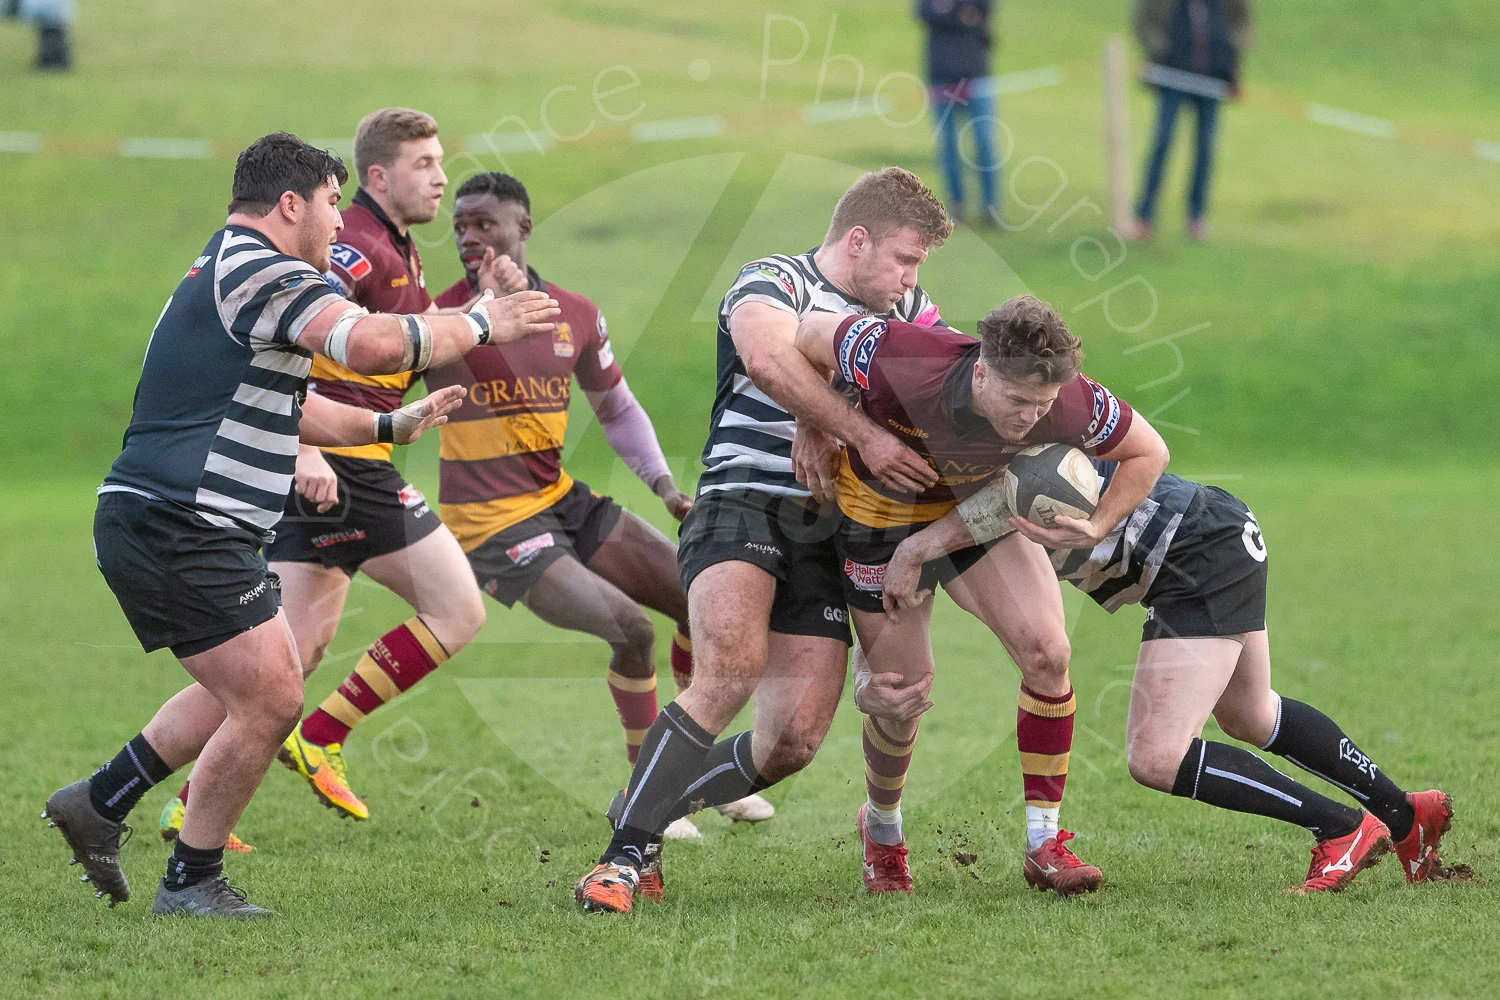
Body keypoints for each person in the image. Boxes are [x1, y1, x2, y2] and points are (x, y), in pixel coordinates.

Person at [43, 132, 559, 918]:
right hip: (179, 521)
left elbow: (296, 405)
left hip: (180, 521)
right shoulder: (266, 269)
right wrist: (483, 320)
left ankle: (99, 803)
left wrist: (390, 430)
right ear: (291, 204)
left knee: (254, 684)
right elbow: (373, 341)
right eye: (327, 203)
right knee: (274, 697)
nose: (336, 221)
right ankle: (190, 881)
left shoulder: (235, 268)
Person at [572, 167, 950, 914]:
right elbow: (767, 357)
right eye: (904, 258)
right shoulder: (774, 278)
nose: (911, 277)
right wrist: (862, 435)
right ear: (858, 239)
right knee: (730, 669)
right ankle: (621, 862)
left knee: (793, 743)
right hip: (741, 500)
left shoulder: (907, 307)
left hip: (830, 525)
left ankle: (639, 809)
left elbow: (946, 386)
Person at [159, 108, 501, 839]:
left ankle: (176, 799)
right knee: (458, 608)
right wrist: (305, 449)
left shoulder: (397, 248)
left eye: (442, 161)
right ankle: (322, 736)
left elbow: (411, 341)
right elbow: (303, 338)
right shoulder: (357, 249)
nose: (441, 176)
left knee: (281, 658)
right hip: (342, 465)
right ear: (377, 175)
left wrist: (482, 305)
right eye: (423, 163)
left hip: (344, 460)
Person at [875, 464, 1453, 892]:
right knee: (1253, 714)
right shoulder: (984, 441)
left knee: (1156, 757)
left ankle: (1341, 827)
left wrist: (921, 546)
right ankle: (1406, 815)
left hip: (1193, 557)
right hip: (1219, 528)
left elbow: (1005, 497)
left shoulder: (985, 450)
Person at [426, 171, 772, 835]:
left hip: (561, 499)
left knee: (702, 599)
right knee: (630, 630)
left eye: (484, 223)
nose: (469, 236)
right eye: (460, 225)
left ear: (522, 229)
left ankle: (696, 772)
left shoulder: (575, 314)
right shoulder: (440, 320)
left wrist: (667, 489)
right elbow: (373, 380)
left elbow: (615, 408)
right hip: (492, 523)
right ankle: (652, 796)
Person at [792, 296, 1168, 895]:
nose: (1029, 419)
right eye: (1018, 401)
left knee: (1049, 652)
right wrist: (814, 424)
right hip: (878, 524)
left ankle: (1044, 843)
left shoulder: (1067, 399)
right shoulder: (901, 356)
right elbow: (806, 334)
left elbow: (1150, 451)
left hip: (973, 517)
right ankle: (882, 827)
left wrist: (1099, 527)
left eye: (1041, 406)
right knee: (902, 693)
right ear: (983, 371)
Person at [1130, 0, 1252, 241]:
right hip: (1172, 75)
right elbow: (1143, 21)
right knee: (1163, 142)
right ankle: (1145, 215)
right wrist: (1161, 48)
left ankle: (1196, 217)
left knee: (1205, 148)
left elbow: (1244, 23)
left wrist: (1230, 52)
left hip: (1211, 80)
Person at [917, 0, 1000, 226]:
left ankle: (991, 207)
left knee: (984, 142)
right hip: (941, 77)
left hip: (976, 75)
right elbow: (925, 13)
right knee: (948, 145)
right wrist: (961, 15)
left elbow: (984, 9)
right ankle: (956, 207)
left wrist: (948, 12)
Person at [4, 0, 74, 71]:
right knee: (51, 31)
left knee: (51, 32)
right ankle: (53, 60)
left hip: (49, 9)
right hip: (53, 9)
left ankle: (53, 60)